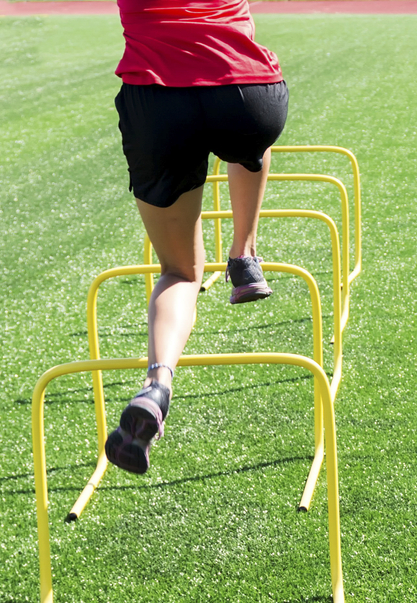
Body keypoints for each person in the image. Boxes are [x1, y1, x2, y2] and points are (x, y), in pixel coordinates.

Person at [104, 0, 289, 474]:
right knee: (250, 144)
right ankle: (244, 256)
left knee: (180, 273)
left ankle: (157, 384)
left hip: (157, 100)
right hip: (247, 91)